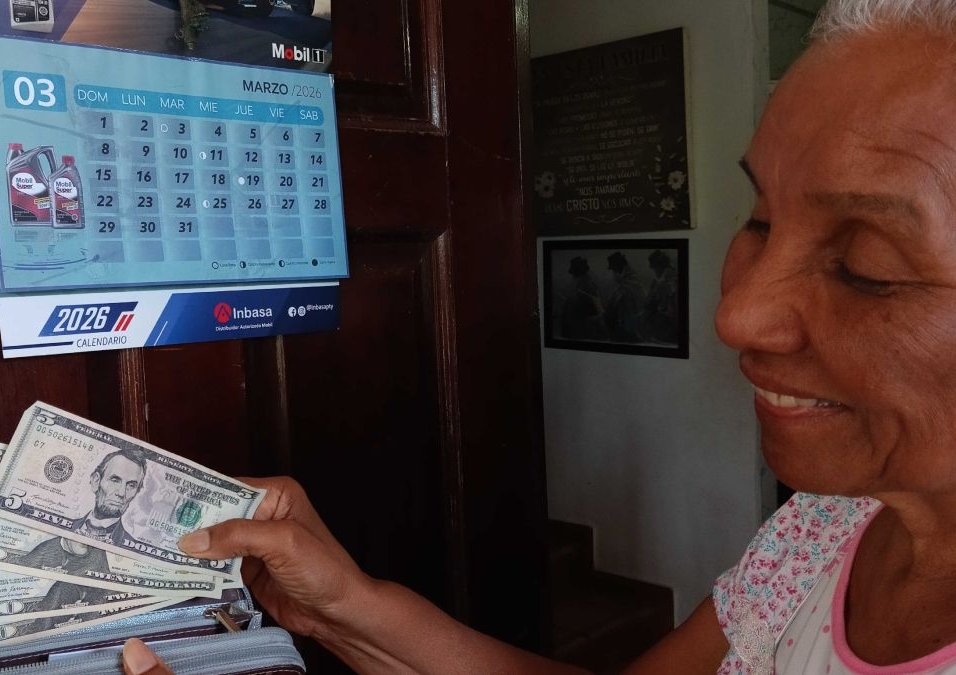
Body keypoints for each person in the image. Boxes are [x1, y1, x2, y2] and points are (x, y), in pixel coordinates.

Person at [126, 0, 956, 672]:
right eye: (760, 219)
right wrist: (347, 607)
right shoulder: (826, 525)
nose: (736, 315)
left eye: (866, 262)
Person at [559, 256, 608, 340]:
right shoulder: (583, 287)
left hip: (585, 331)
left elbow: (597, 311)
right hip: (582, 331)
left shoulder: (585, 286)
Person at [604, 251, 646, 343]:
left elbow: (631, 293)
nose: (613, 272)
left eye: (613, 269)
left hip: (632, 321)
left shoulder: (629, 280)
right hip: (630, 318)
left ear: (618, 268)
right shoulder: (627, 278)